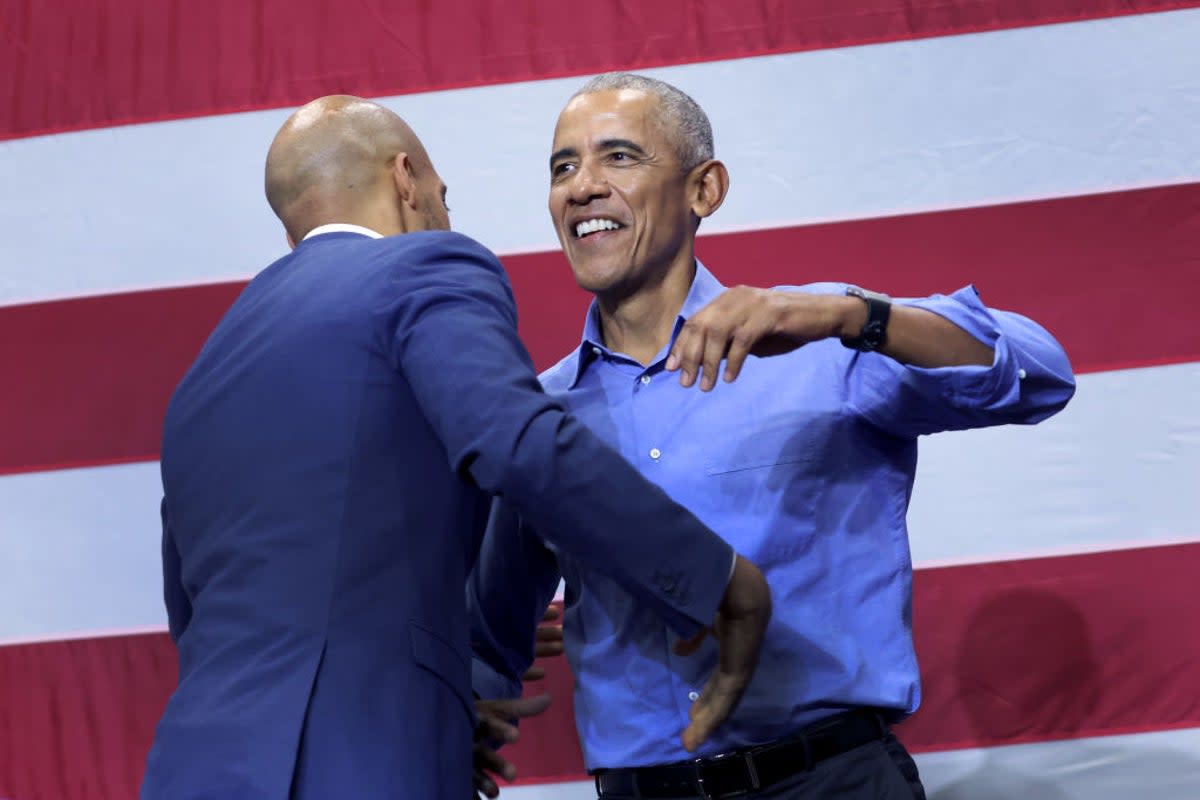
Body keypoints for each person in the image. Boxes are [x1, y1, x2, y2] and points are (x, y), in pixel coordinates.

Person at [139, 94, 772, 800]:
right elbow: (516, 442)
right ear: (406, 181)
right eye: (444, 195)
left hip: (194, 765)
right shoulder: (422, 268)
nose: (445, 213)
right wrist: (711, 577)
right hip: (360, 756)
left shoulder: (206, 373)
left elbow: (192, 601)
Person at [468, 72, 1077, 799]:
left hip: (830, 781)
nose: (582, 186)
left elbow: (1040, 375)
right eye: (563, 166)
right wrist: (464, 711)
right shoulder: (541, 415)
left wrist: (853, 315)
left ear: (704, 190)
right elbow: (489, 631)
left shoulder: (823, 344)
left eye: (619, 157)